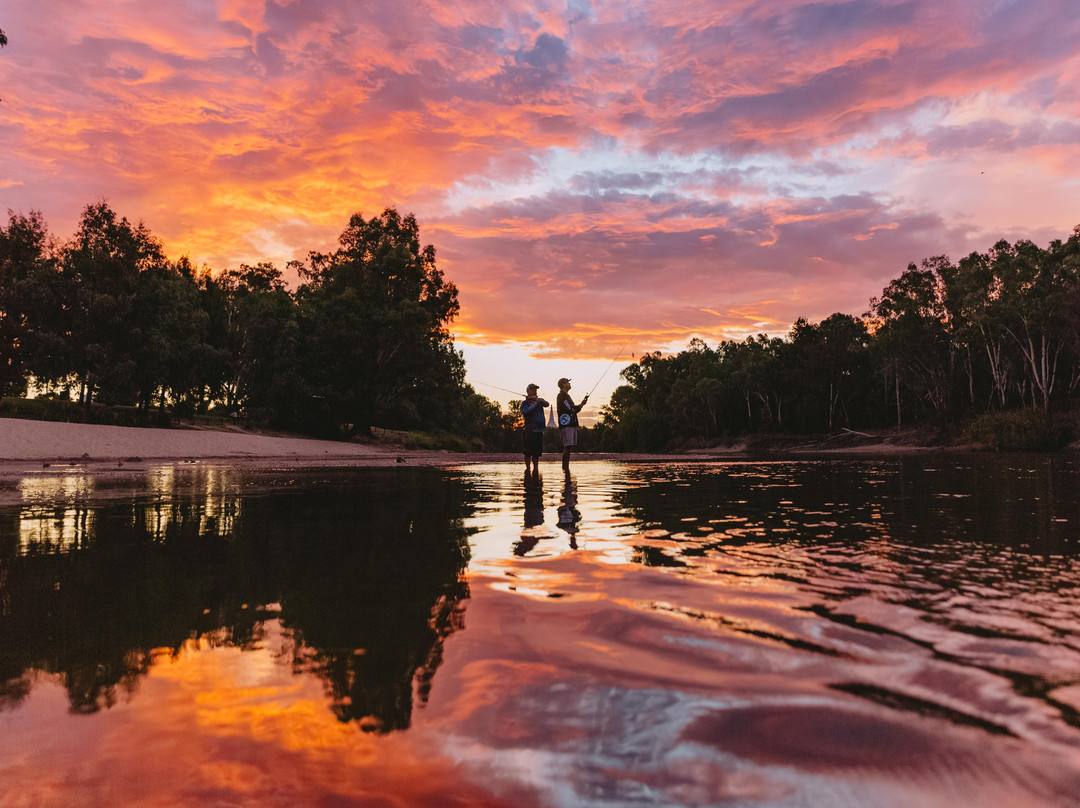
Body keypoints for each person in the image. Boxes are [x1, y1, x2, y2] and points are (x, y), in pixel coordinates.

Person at [555, 378, 588, 471]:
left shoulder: (567, 396)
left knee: (569, 447)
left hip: (571, 425)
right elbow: (571, 409)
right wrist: (581, 405)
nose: (569, 384)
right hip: (566, 425)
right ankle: (565, 469)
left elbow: (572, 409)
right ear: (563, 384)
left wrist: (581, 404)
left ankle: (566, 469)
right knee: (567, 446)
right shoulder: (561, 396)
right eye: (568, 382)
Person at [520, 383, 549, 473]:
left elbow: (547, 404)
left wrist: (540, 400)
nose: (534, 391)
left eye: (535, 390)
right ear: (528, 391)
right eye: (532, 390)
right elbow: (525, 411)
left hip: (539, 430)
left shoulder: (539, 402)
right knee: (528, 452)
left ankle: (536, 468)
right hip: (529, 430)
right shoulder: (525, 403)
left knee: (537, 453)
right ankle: (528, 469)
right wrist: (535, 403)